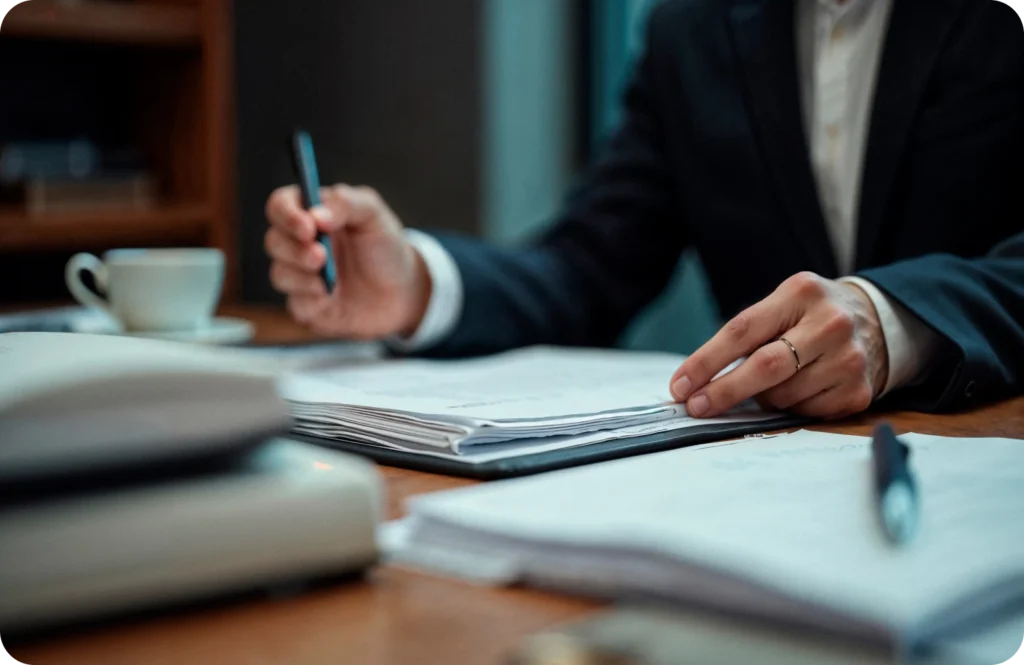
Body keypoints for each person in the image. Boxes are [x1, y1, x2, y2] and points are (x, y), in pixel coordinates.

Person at [264, 0, 1024, 419]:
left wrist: (897, 320)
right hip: (760, 491)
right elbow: (589, 267)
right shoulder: (687, 31)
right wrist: (418, 286)